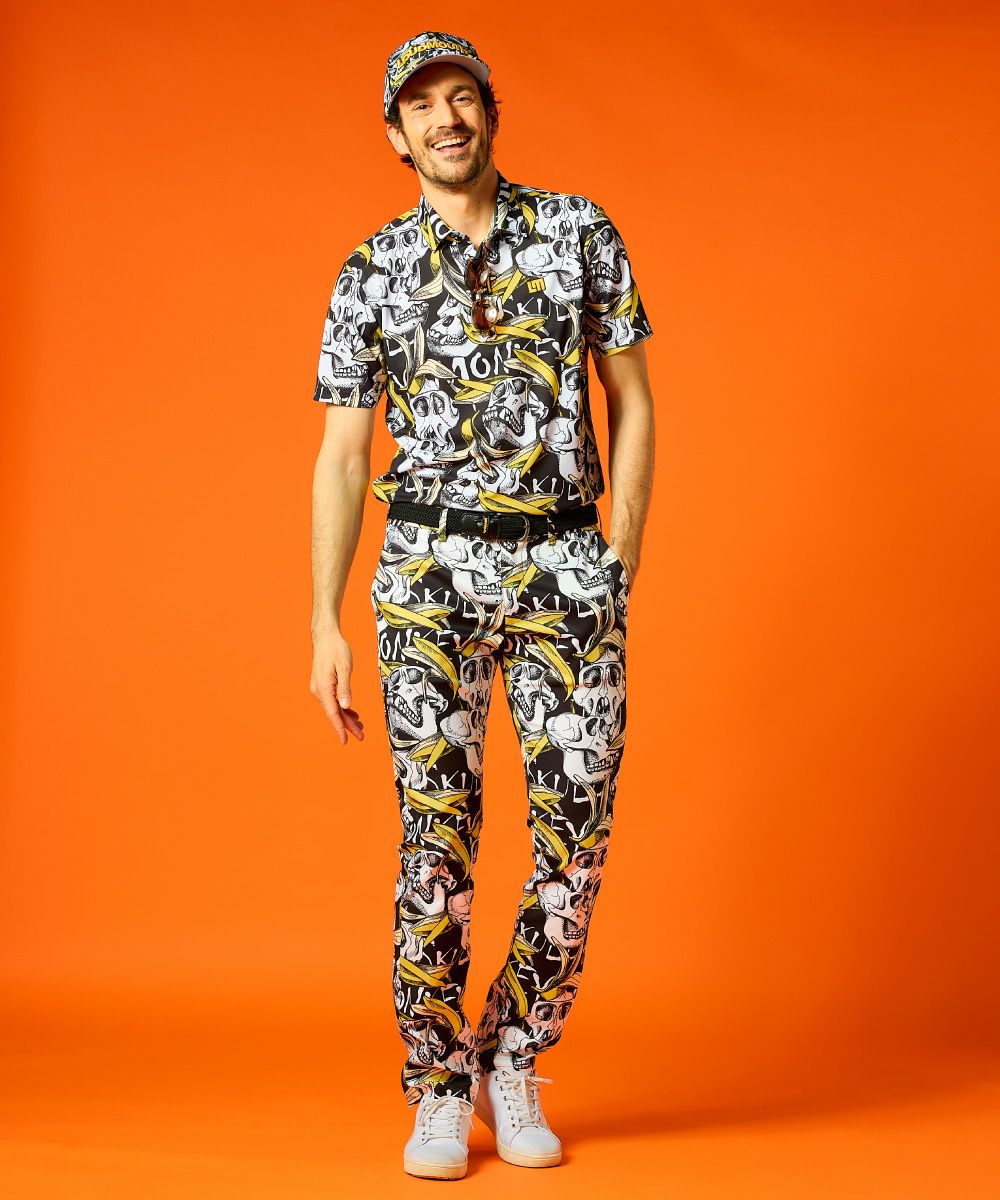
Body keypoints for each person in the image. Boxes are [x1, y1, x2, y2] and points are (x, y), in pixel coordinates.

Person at [309, 30, 655, 1180]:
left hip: (562, 563)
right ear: (395, 135)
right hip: (424, 579)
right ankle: (436, 1082)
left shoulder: (578, 232)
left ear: (490, 113)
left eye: (462, 97)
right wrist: (322, 621)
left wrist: (618, 556)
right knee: (436, 842)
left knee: (575, 836)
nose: (446, 119)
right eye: (422, 106)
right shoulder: (368, 270)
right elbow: (344, 455)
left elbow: (632, 399)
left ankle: (512, 1048)